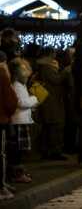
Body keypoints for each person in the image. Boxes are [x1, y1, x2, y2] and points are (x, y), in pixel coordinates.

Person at [8, 58, 38, 183]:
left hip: (22, 120)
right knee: (18, 150)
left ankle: (19, 172)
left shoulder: (21, 85)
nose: (26, 73)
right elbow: (21, 102)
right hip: (19, 121)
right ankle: (17, 174)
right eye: (24, 69)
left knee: (19, 150)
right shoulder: (17, 85)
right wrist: (34, 99)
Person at [36, 48, 67, 160]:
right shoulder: (46, 67)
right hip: (50, 100)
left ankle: (46, 151)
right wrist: (65, 72)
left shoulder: (41, 66)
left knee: (47, 127)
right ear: (49, 54)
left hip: (46, 99)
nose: (55, 55)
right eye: (53, 53)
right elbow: (56, 80)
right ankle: (54, 152)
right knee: (54, 126)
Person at [0, 51, 18, 200]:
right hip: (1, 119)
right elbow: (11, 100)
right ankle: (1, 187)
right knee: (1, 154)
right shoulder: (2, 74)